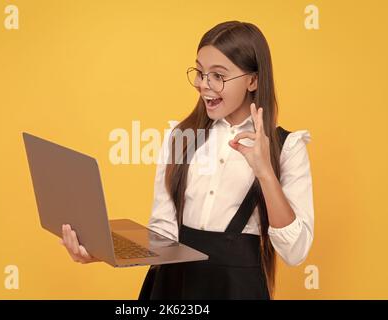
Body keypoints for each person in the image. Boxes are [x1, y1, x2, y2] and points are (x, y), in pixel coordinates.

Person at [60, 20, 314, 300]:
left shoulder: (287, 147)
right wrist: (103, 250)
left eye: (218, 75)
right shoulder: (180, 136)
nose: (203, 85)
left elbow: (295, 251)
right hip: (172, 286)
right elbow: (163, 233)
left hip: (238, 289)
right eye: (200, 72)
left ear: (252, 80)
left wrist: (265, 171)